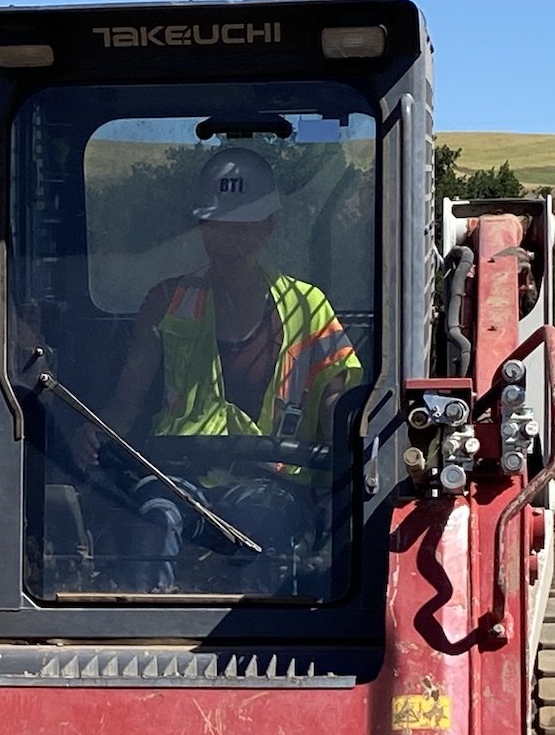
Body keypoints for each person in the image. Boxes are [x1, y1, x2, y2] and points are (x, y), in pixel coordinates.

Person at [89, 146, 362, 592]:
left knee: (264, 530)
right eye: (217, 225)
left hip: (273, 482)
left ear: (268, 227)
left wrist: (352, 459)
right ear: (201, 226)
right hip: (178, 472)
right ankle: (144, 619)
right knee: (154, 519)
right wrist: (95, 436)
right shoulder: (166, 301)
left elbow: (338, 408)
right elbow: (128, 397)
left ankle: (262, 628)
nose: (229, 239)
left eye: (244, 226)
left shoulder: (309, 308)